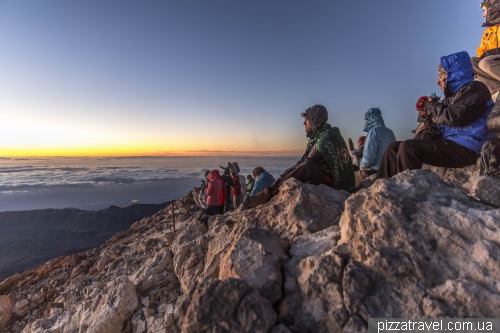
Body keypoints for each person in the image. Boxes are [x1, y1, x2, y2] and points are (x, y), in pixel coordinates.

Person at [376, 51, 494, 179]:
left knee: (409, 148)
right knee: (393, 148)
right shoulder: (450, 97)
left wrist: (430, 105)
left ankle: (405, 192)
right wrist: (427, 115)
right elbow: (440, 121)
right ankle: (380, 188)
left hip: (468, 146)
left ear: (453, 75)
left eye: (441, 75)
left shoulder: (475, 88)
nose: (438, 81)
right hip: (450, 142)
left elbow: (453, 117)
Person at [242, 104, 355, 209]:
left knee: (308, 166)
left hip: (337, 187)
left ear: (314, 120)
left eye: (306, 120)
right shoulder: (324, 135)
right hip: (334, 180)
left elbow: (306, 164)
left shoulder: (325, 139)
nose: (304, 123)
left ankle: (268, 194)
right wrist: (284, 176)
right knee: (302, 166)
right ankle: (270, 190)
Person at [471, 0, 500, 99]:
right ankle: (497, 92)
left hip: (492, 62)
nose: (483, 15)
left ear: (493, 9)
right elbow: (481, 52)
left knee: (485, 63)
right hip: (492, 61)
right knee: (471, 63)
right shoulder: (488, 32)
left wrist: (492, 52)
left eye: (484, 10)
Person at [359, 108, 396, 178]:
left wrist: (361, 165)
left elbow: (368, 158)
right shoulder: (390, 131)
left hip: (376, 171)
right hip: (390, 170)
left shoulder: (373, 131)